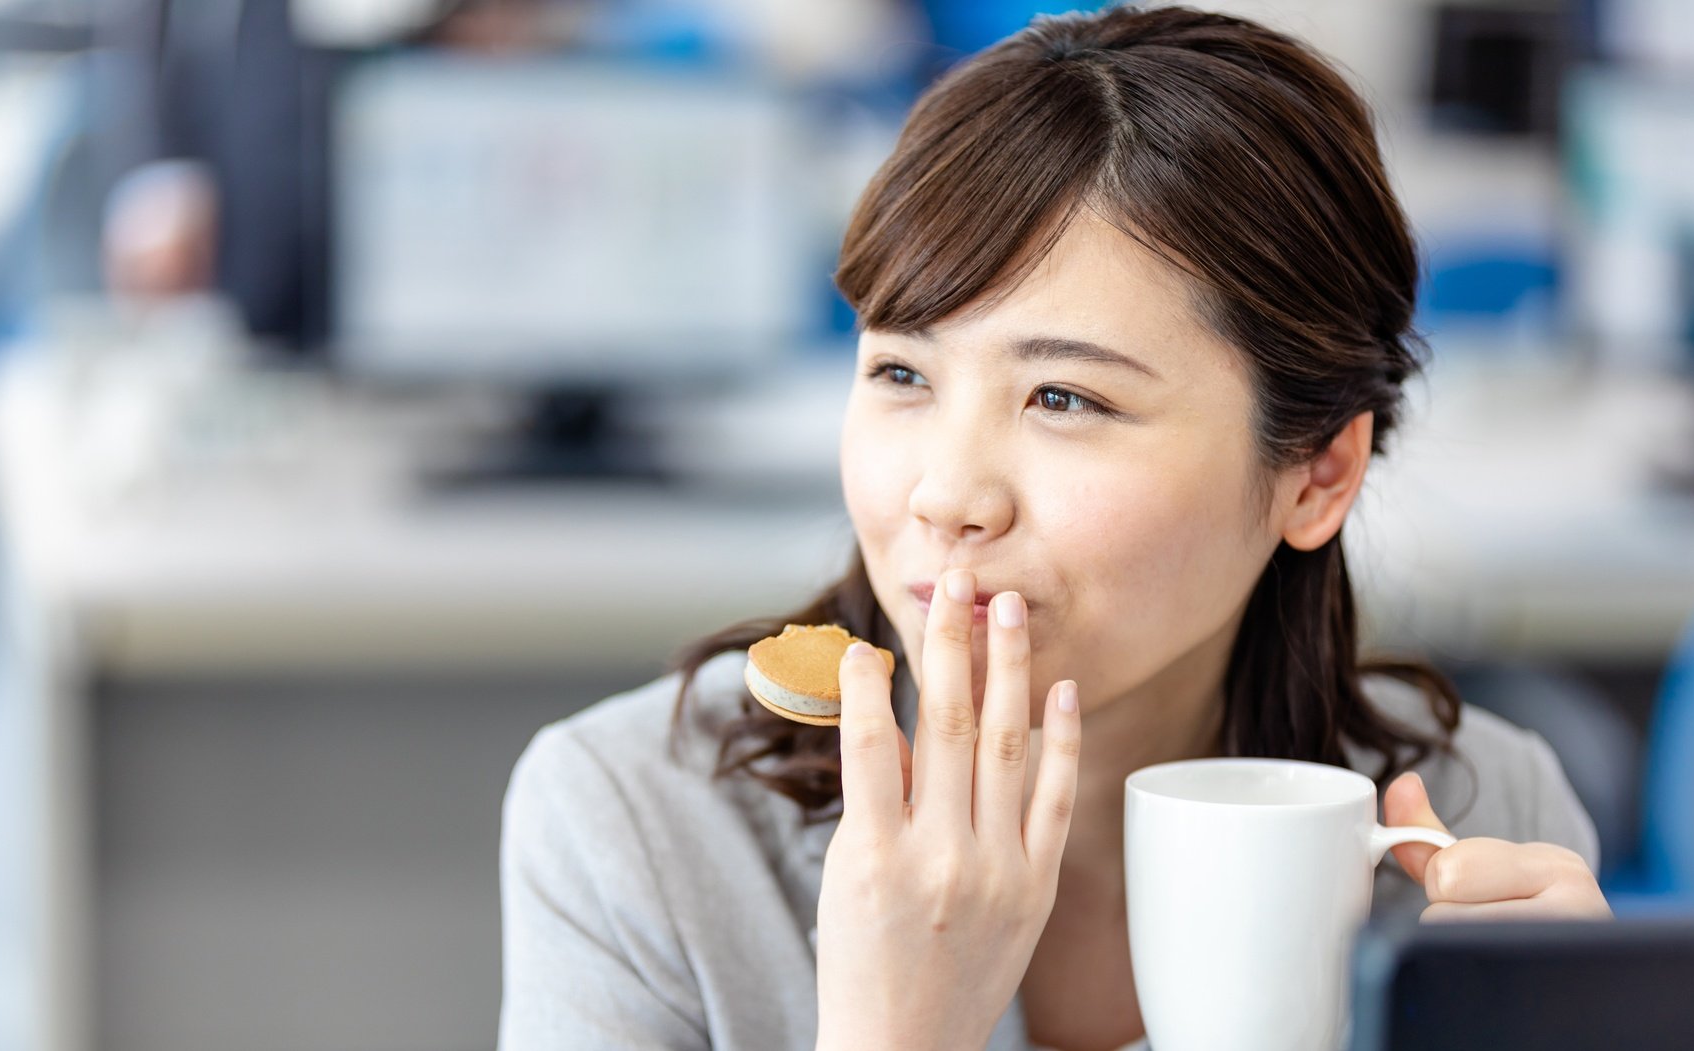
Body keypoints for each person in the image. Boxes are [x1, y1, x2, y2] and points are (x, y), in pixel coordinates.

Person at [497, 6, 1610, 1051]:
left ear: (1317, 472)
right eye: (899, 371)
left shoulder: (1479, 820)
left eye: (1062, 399)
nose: (947, 495)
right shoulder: (638, 819)